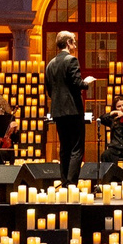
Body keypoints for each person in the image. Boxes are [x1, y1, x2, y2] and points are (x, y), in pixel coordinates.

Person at [44, 31, 89, 183]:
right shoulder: (71, 60)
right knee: (77, 148)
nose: (75, 44)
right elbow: (77, 83)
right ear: (68, 42)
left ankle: (64, 182)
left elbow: (49, 89)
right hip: (73, 110)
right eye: (74, 41)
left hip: (58, 111)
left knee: (64, 147)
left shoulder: (50, 64)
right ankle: (71, 183)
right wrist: (86, 83)